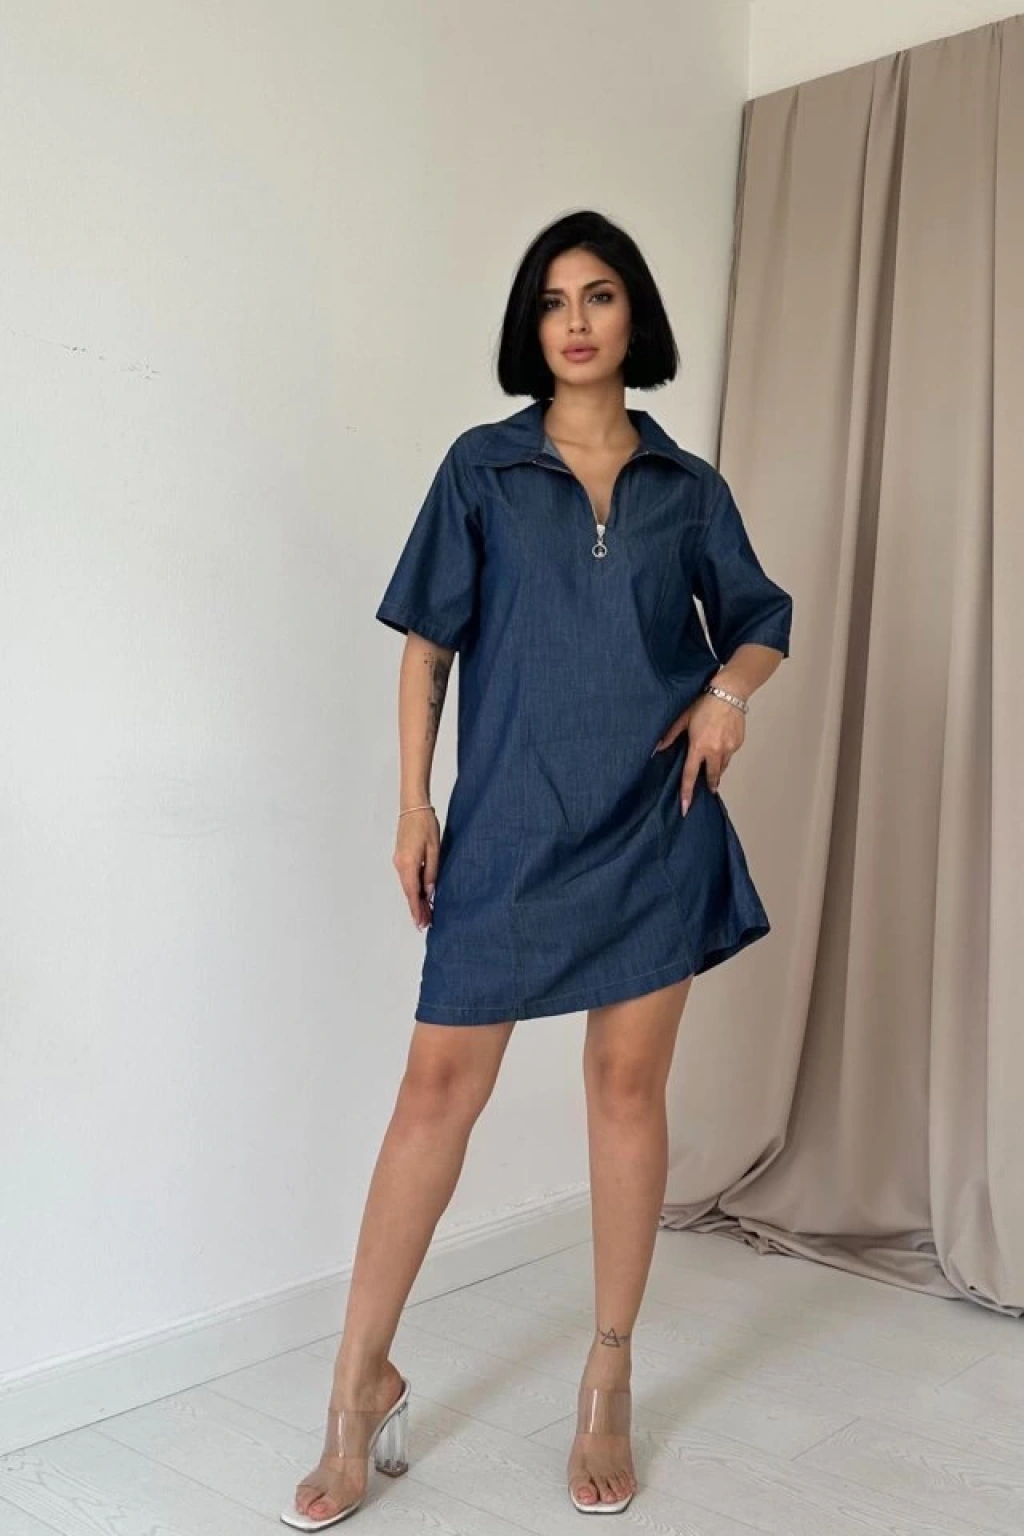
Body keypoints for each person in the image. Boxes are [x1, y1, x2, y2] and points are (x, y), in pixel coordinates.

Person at [281, 209, 793, 1529]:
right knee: (433, 1095)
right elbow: (427, 646)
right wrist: (414, 806)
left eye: (600, 294)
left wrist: (729, 693)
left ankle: (608, 1381)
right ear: (532, 325)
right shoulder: (484, 468)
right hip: (509, 828)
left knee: (626, 1092)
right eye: (554, 299)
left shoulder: (688, 487)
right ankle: (357, 1386)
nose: (576, 319)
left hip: (657, 825)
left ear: (634, 318)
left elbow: (759, 621)